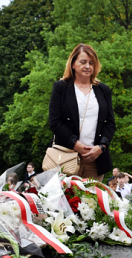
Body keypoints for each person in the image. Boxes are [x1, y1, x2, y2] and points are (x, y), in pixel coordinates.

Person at [48, 43, 116, 181]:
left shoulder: (103, 90)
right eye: (83, 62)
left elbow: (110, 124)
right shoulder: (61, 87)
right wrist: (76, 144)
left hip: (95, 160)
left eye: (92, 63)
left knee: (92, 201)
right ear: (73, 64)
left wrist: (101, 147)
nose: (88, 66)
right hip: (65, 157)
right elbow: (55, 122)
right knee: (64, 202)